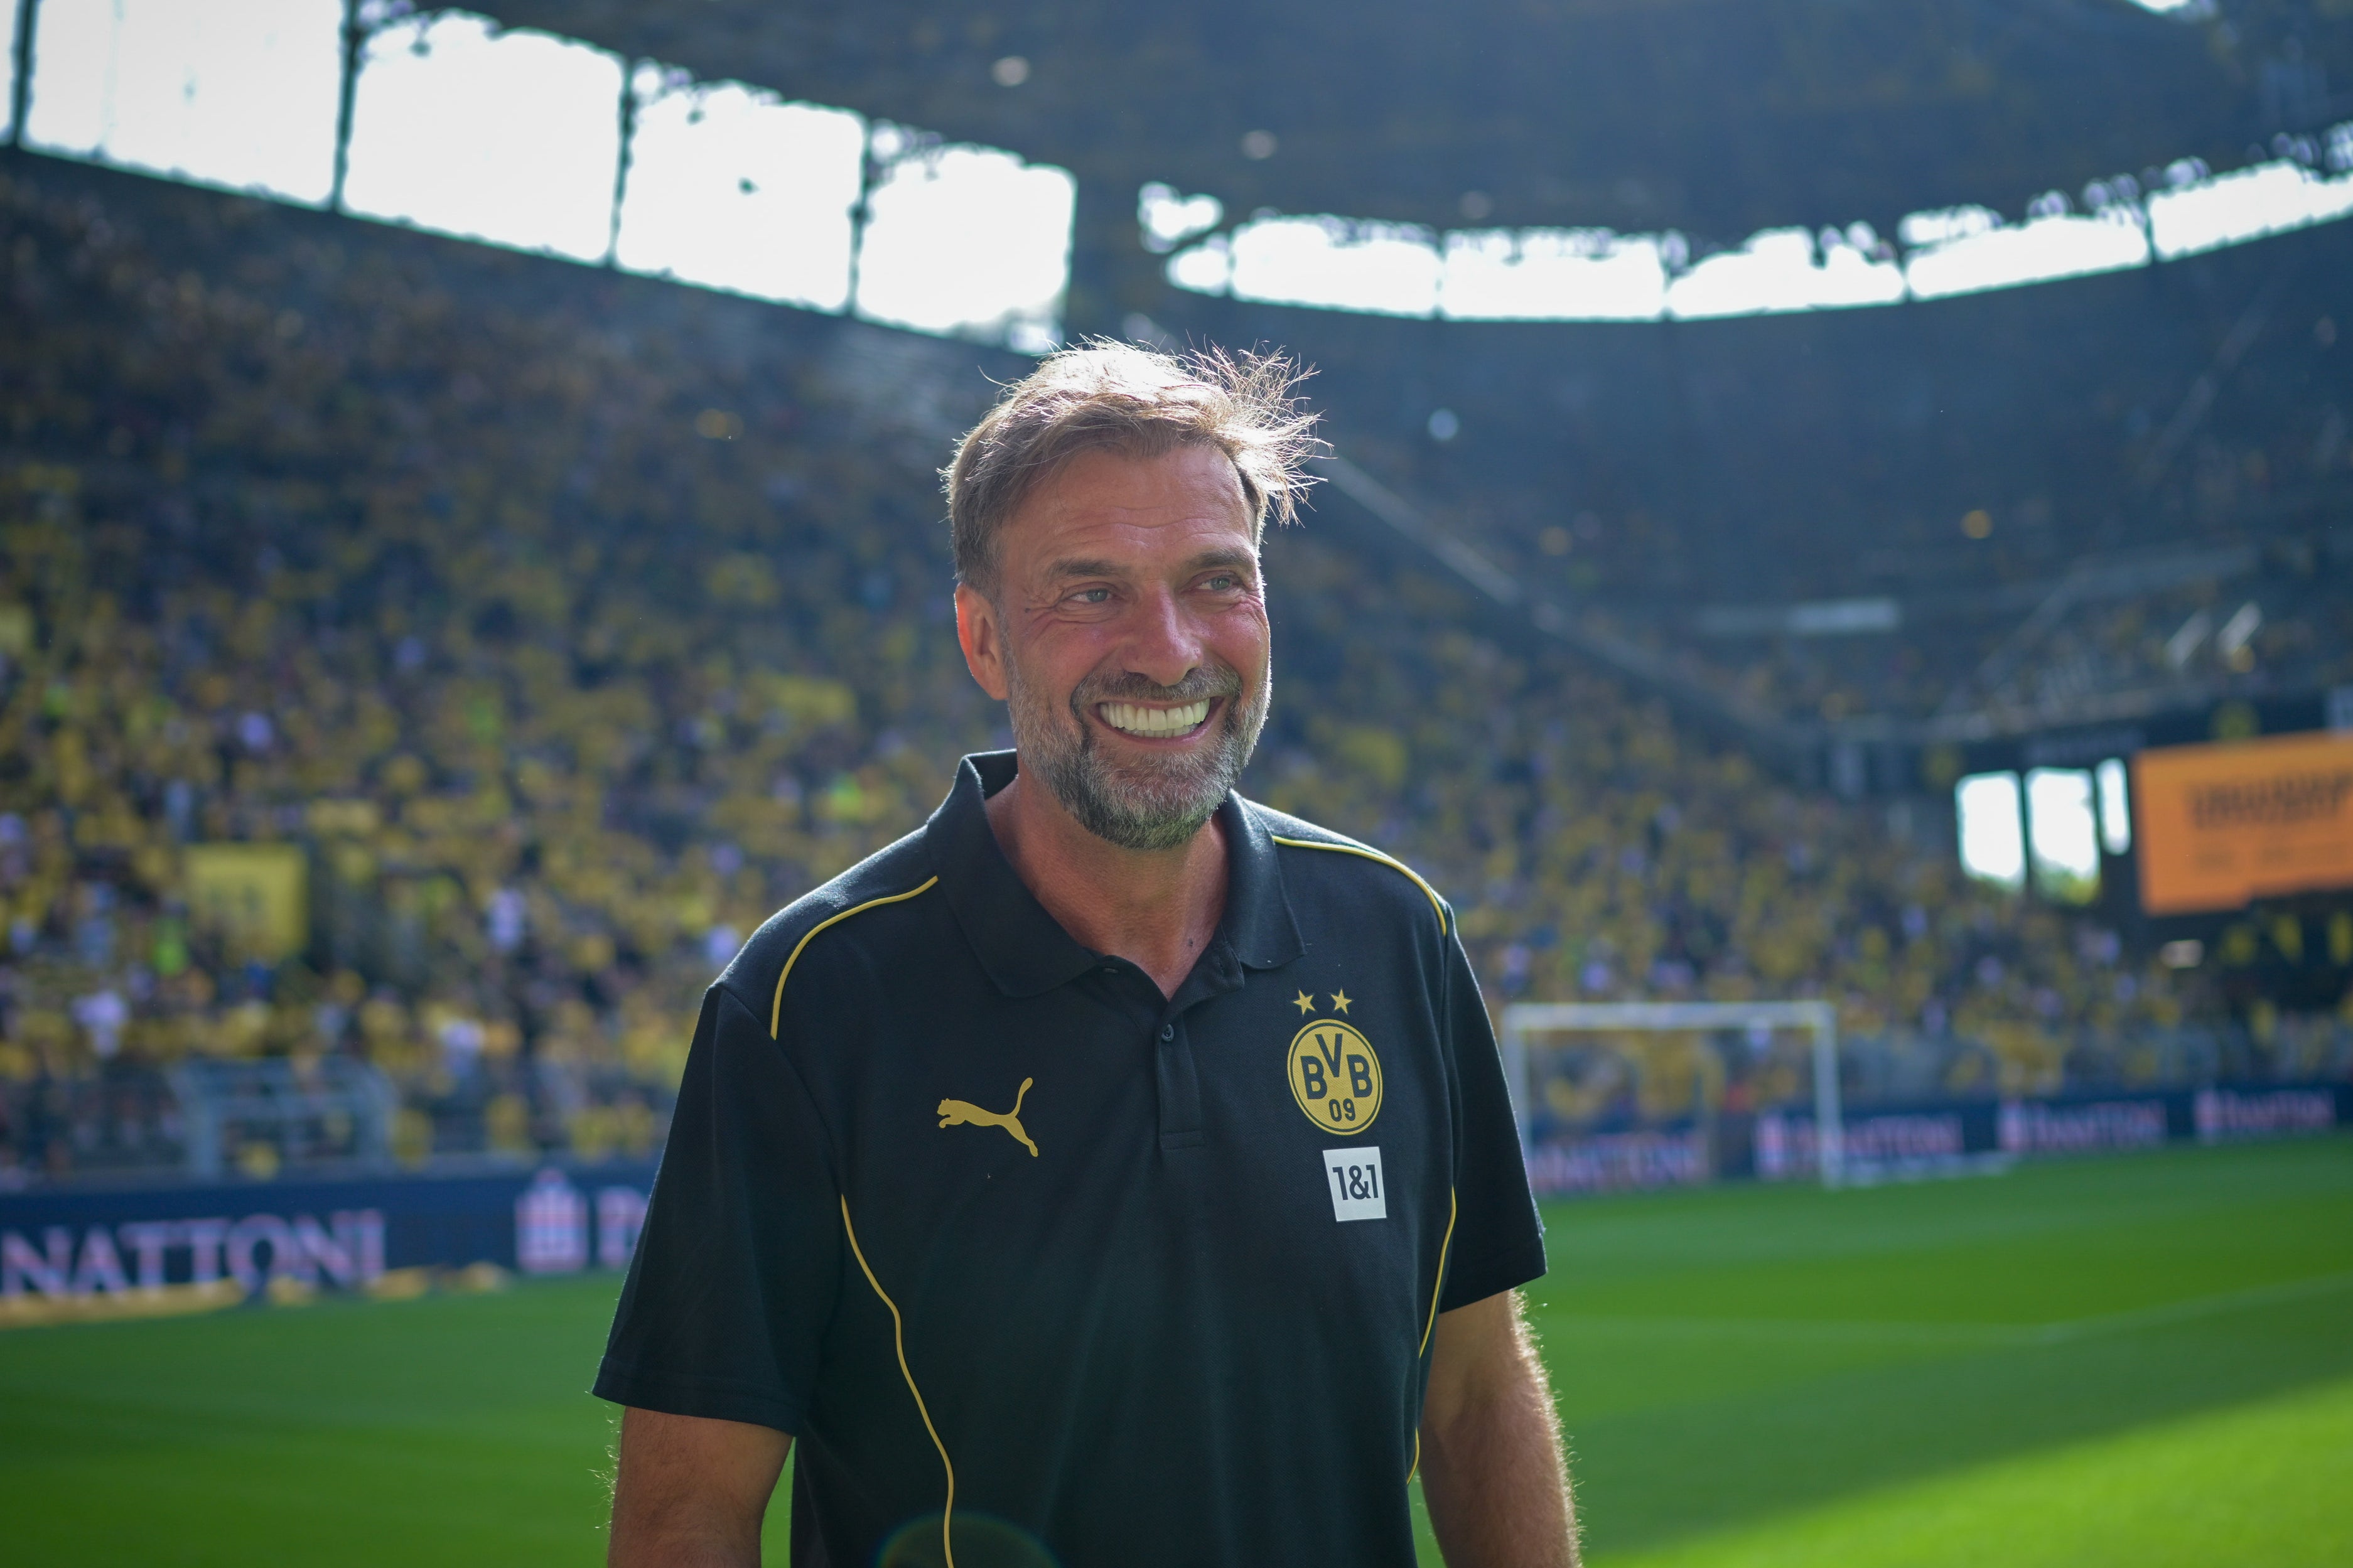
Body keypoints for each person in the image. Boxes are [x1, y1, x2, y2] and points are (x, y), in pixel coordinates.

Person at [598, 341, 1577, 1567]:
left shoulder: (1395, 937)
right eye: (1090, 590)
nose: (1168, 652)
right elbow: (687, 1506)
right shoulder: (807, 1001)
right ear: (983, 638)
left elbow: (1476, 1392)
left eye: (1216, 580)